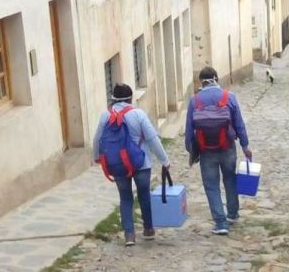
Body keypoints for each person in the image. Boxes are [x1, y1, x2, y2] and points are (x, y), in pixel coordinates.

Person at [93, 83, 170, 246]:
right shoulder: (138, 114)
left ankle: (129, 235)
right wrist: (164, 160)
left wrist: (97, 157)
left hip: (117, 164)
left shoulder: (105, 116)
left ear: (113, 98)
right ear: (130, 98)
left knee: (125, 198)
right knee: (144, 195)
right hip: (140, 163)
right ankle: (148, 229)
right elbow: (152, 139)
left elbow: (97, 139)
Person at [185, 67, 251, 235]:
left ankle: (221, 223)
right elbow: (239, 124)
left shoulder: (195, 101)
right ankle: (232, 213)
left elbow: (189, 129)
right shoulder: (229, 97)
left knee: (211, 185)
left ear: (201, 82)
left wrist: (192, 151)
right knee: (230, 179)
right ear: (216, 79)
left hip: (206, 150)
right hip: (227, 147)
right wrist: (245, 146)